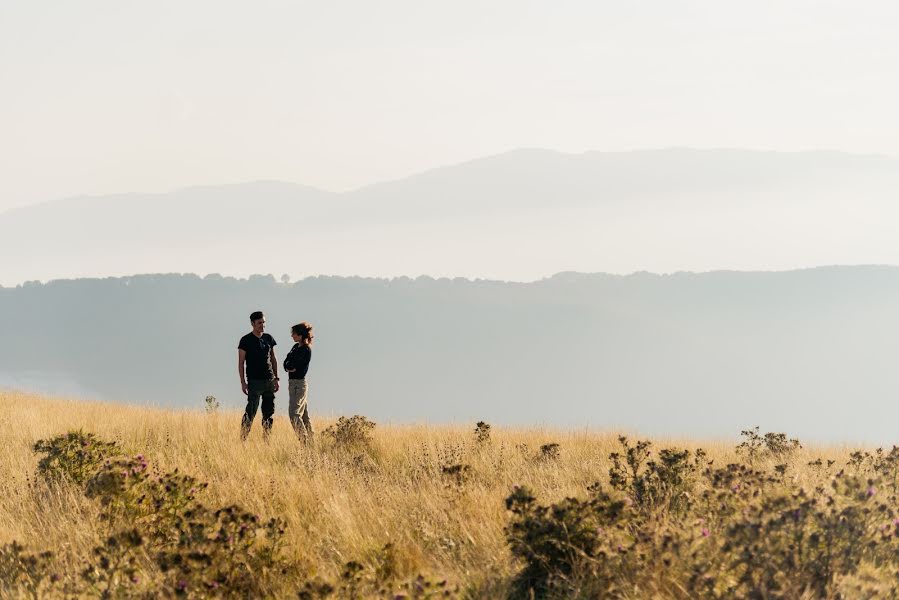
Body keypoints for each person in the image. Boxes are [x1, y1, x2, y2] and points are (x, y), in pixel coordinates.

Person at [238, 311, 279, 440]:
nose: (262, 325)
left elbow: (273, 358)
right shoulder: (245, 340)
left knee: (268, 412)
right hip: (254, 382)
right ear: (253, 324)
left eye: (263, 322)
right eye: (259, 323)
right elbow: (241, 363)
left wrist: (276, 378)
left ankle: (267, 439)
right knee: (251, 411)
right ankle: (243, 439)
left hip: (269, 380)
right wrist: (243, 382)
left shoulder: (268, 338)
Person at [284, 322, 313, 443]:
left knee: (294, 414)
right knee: (304, 415)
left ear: (300, 335)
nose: (292, 336)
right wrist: (288, 366)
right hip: (293, 383)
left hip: (299, 384)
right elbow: (286, 362)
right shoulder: (295, 347)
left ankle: (304, 442)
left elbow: (297, 366)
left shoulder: (306, 349)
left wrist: (290, 365)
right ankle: (311, 443)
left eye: (294, 334)